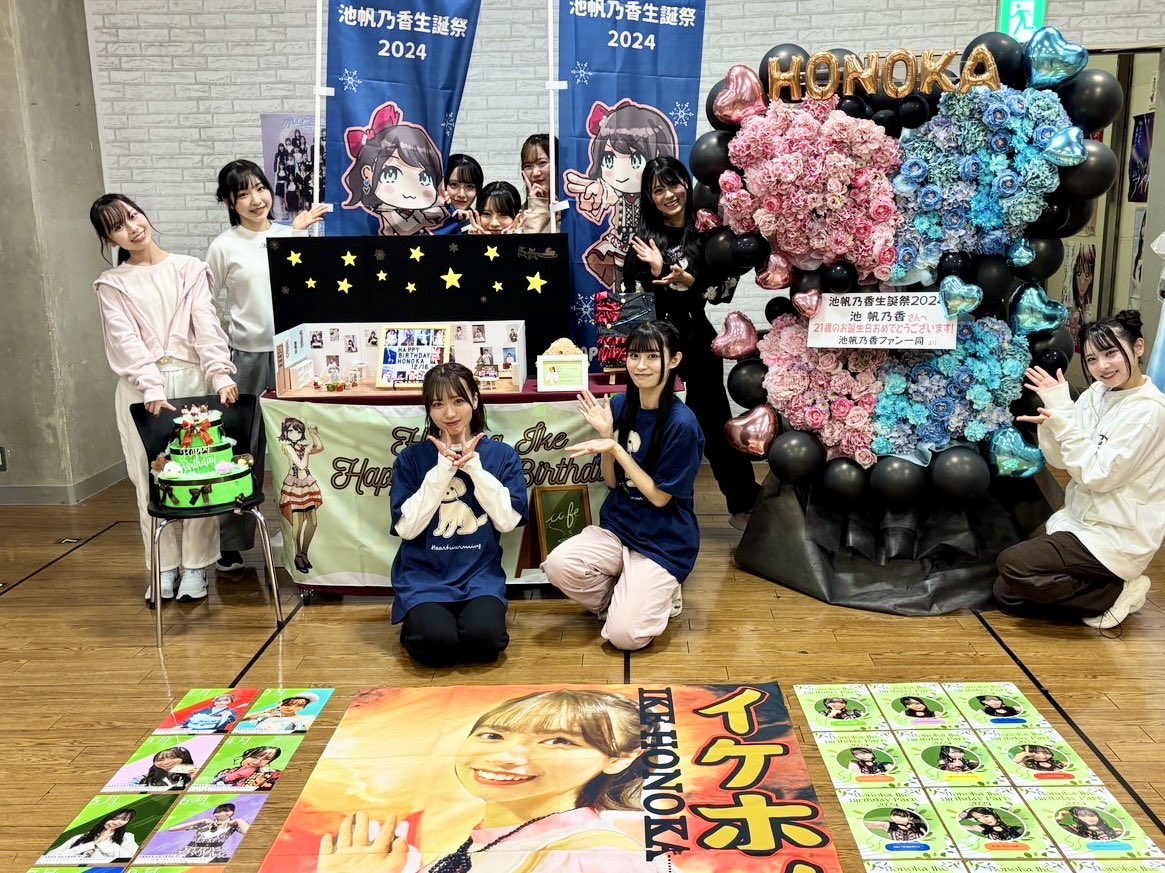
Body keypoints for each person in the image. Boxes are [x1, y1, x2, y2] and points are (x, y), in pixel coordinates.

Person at [317, 690, 662, 872]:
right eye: (493, 735)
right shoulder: (481, 842)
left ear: (619, 758)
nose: (506, 756)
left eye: (558, 741)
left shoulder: (599, 856)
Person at [89, 193, 238, 605]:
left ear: (144, 215)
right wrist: (151, 385)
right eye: (118, 227)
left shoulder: (190, 269)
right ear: (110, 239)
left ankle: (195, 567)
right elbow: (123, 339)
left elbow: (207, 325)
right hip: (142, 391)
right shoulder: (112, 283)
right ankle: (163, 567)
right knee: (149, 479)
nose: (132, 228)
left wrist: (220, 373)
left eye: (133, 216)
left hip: (192, 382)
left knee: (199, 475)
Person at [997, 310, 1165, 629]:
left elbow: (1099, 475)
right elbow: (1061, 461)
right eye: (1091, 359)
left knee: (1013, 564)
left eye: (1111, 353)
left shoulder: (1150, 412)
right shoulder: (1096, 394)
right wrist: (1059, 410)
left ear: (1138, 347)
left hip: (1117, 535)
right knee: (1005, 593)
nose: (1102, 366)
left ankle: (1113, 592)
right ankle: (1105, 590)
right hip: (1080, 522)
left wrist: (1065, 423)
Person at [543, 321, 703, 650]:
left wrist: (615, 448)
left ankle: (657, 594)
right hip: (620, 528)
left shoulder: (682, 424)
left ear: (674, 360)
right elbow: (612, 482)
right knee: (558, 565)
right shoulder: (619, 406)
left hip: (664, 541)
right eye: (634, 355)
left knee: (624, 637)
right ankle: (621, 598)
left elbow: (659, 498)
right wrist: (606, 437)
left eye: (652, 356)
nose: (641, 365)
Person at [622, 156, 760, 530]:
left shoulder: (705, 233)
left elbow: (721, 292)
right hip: (655, 350)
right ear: (649, 197)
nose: (669, 195)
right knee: (651, 424)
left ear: (687, 183)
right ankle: (648, 508)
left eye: (674, 184)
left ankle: (744, 504)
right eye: (658, 189)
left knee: (714, 423)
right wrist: (656, 272)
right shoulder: (644, 241)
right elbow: (633, 303)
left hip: (697, 342)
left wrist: (689, 282)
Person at [207, 159, 326, 573]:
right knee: (244, 449)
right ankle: (232, 543)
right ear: (228, 202)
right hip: (250, 357)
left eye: (260, 188)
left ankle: (306, 538)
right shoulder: (224, 246)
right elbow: (205, 305)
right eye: (243, 193)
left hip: (297, 354)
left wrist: (298, 234)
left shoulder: (290, 234)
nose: (256, 199)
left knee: (300, 449)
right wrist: (220, 355)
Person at [388, 363, 528, 667]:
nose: (449, 413)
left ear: (475, 401)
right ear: (428, 410)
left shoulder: (502, 456)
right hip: (425, 577)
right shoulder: (411, 459)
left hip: (479, 576)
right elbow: (406, 529)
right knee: (435, 645)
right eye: (438, 404)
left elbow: (507, 522)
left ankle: (461, 627)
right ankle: (422, 624)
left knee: (485, 642)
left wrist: (474, 468)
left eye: (458, 400)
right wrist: (442, 471)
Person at [563, 102, 678, 287]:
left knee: (650, 284)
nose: (622, 172)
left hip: (652, 248)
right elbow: (600, 201)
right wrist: (593, 195)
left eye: (636, 160)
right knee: (621, 287)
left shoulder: (656, 197)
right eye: (609, 159)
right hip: (618, 244)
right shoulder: (612, 192)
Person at [341, 101, 447, 236]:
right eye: (391, 174)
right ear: (367, 174)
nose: (409, 192)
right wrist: (427, 217)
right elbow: (404, 228)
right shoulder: (384, 207)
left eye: (424, 178)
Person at [277, 417, 325, 574]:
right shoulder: (287, 447)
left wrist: (313, 434)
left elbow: (320, 447)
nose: (294, 434)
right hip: (295, 486)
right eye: (290, 431)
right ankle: (298, 556)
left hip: (307, 485)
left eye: (298, 431)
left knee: (313, 521)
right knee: (297, 524)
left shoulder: (300, 446)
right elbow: (301, 465)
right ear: (285, 432)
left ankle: (304, 553)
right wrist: (307, 451)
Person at [45, 809, 138, 861]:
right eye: (114, 818)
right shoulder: (81, 837)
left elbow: (130, 858)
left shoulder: (127, 837)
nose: (117, 823)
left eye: (124, 819)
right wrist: (92, 844)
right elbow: (50, 856)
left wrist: (104, 843)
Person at [169, 802, 249, 860]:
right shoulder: (206, 823)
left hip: (212, 854)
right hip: (187, 851)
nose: (218, 814)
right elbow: (172, 829)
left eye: (222, 811)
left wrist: (239, 820)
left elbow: (248, 833)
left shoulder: (234, 825)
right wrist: (201, 821)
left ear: (230, 813)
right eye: (217, 812)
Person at [519, 133, 560, 233]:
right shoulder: (520, 215)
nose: (535, 173)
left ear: (557, 164)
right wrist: (537, 205)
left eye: (542, 163)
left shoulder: (574, 207)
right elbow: (533, 242)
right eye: (528, 166)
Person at [209, 744, 283, 789]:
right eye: (254, 757)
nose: (256, 762)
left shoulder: (272, 774)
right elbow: (212, 787)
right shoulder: (227, 771)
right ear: (247, 755)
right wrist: (233, 776)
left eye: (266, 759)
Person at [239, 693, 318, 732]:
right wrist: (264, 711)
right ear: (279, 704)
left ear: (303, 707)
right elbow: (238, 719)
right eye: (288, 704)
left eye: (299, 706)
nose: (292, 708)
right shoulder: (266, 716)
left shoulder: (305, 719)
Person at [443, 153, 483, 227]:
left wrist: (467, 224)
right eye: (454, 184)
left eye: (469, 186)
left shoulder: (483, 223)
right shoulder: (426, 218)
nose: (461, 195)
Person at [132, 745, 198, 789]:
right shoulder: (144, 778)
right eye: (159, 760)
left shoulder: (197, 773)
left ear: (185, 758)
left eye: (173, 757)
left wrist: (195, 779)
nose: (166, 762)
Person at [1057, 806, 1121, 840]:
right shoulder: (1074, 829)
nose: (1089, 818)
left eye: (1092, 815)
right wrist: (1059, 818)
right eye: (1083, 816)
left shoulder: (1114, 830)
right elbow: (1052, 830)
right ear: (1077, 818)